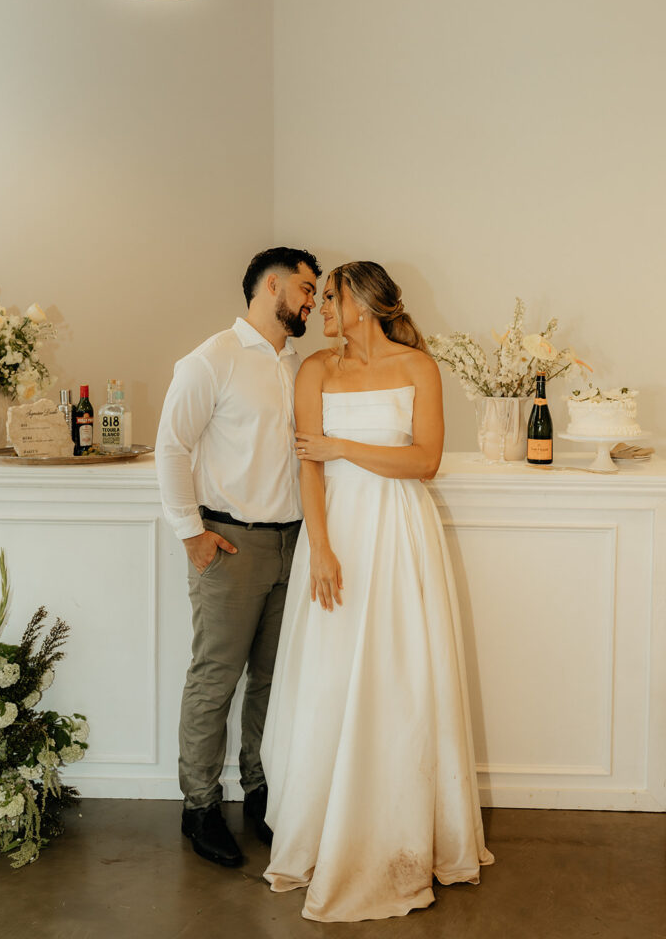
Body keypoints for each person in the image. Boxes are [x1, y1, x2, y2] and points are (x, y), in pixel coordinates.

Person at [261, 261, 494, 921]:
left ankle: (404, 833)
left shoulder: (418, 368)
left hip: (399, 535)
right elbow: (309, 466)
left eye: (329, 297)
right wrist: (323, 548)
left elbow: (424, 461)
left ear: (363, 303)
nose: (320, 309)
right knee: (332, 677)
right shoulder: (315, 371)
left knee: (403, 677)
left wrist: (340, 443)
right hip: (337, 537)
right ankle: (322, 828)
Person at [155, 246, 322, 868]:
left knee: (273, 682)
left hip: (292, 543)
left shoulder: (293, 362)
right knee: (215, 679)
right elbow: (171, 447)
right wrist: (190, 532)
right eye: (307, 288)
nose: (313, 300)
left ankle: (260, 795)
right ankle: (198, 807)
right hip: (230, 543)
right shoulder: (213, 359)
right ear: (271, 286)